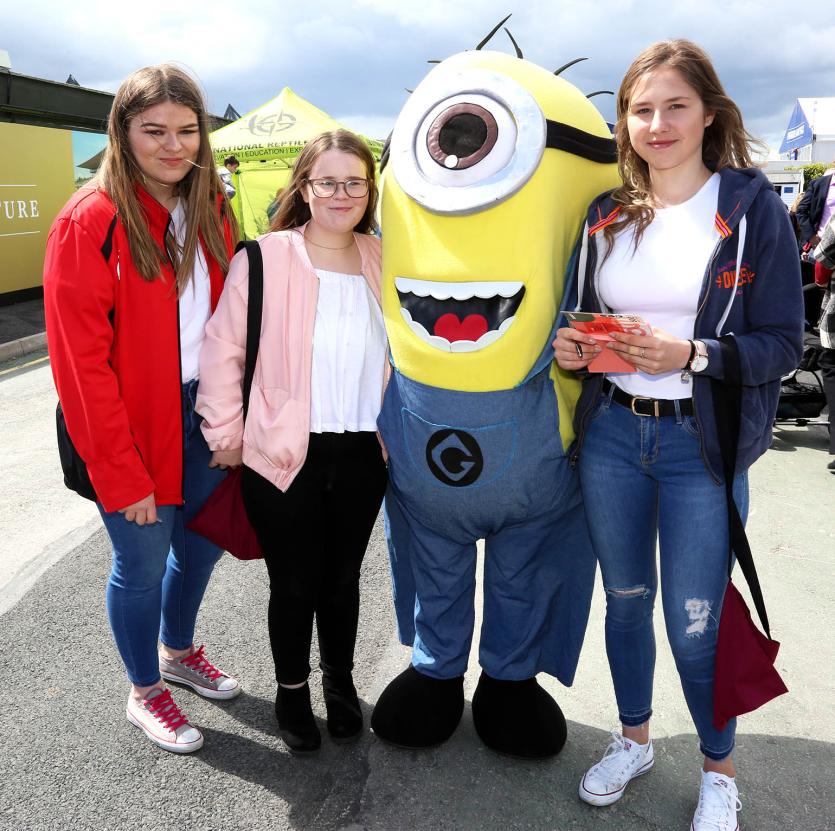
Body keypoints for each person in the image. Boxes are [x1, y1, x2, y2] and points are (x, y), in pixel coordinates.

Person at [553, 39, 803, 829]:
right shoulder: (605, 214)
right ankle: (632, 739)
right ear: (623, 121)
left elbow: (783, 344)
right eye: (640, 108)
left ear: (707, 114)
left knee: (694, 623)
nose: (656, 123)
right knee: (625, 602)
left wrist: (689, 352)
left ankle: (718, 770)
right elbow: (575, 321)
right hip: (613, 439)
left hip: (703, 445)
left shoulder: (750, 206)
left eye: (674, 106)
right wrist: (570, 347)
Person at [44, 64, 241, 754]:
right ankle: (144, 688)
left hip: (202, 410)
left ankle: (178, 651)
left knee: (202, 544)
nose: (173, 145)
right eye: (153, 130)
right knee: (143, 560)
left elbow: (231, 318)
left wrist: (232, 414)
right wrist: (121, 472)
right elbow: (79, 367)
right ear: (122, 134)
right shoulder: (89, 219)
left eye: (187, 130)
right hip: (125, 421)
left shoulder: (212, 202)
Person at [196, 129, 387, 754]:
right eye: (327, 181)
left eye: (354, 182)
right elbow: (224, 348)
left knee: (344, 579)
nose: (341, 193)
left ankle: (339, 685)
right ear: (304, 187)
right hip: (283, 449)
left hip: (363, 449)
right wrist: (224, 431)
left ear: (369, 189)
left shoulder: (384, 259)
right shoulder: (265, 257)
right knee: (296, 581)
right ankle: (291, 690)